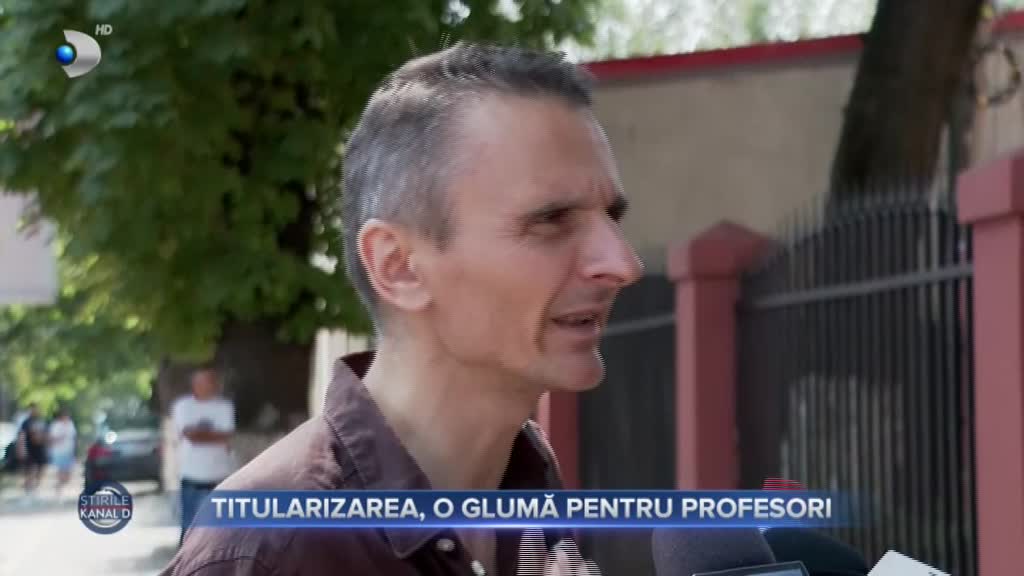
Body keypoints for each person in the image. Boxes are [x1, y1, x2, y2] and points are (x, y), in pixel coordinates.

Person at [161, 42, 641, 576]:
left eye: (611, 217)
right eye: (551, 220)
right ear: (398, 266)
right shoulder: (272, 552)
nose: (622, 263)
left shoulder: (528, 485)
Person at [170, 365, 236, 547]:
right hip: (192, 476)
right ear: (195, 384)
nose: (212, 385)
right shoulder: (183, 406)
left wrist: (200, 434)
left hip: (220, 477)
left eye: (213, 381)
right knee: (190, 527)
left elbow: (226, 435)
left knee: (222, 531)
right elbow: (190, 435)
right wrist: (214, 435)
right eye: (207, 381)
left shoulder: (224, 406)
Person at [16, 403, 48, 497]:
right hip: (29, 448)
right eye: (32, 409)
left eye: (35, 409)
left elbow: (46, 434)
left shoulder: (42, 421)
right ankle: (28, 488)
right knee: (29, 469)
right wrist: (21, 449)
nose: (34, 411)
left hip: (40, 448)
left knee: (41, 467)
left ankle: (36, 486)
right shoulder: (26, 422)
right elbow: (21, 435)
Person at [48, 406, 77, 500]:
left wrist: (74, 452)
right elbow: (51, 438)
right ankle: (58, 493)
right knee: (60, 472)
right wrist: (61, 437)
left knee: (68, 474)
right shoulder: (56, 425)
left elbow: (73, 438)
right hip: (58, 452)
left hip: (69, 451)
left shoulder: (71, 424)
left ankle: (57, 486)